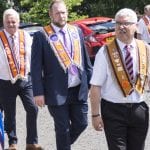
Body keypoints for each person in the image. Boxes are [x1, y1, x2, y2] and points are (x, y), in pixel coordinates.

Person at [31, 0, 92, 150]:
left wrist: (91, 84)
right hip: (55, 91)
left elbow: (85, 60)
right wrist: (38, 92)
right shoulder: (41, 35)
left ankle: (62, 146)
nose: (61, 16)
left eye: (63, 12)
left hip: (78, 89)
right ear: (51, 14)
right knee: (62, 129)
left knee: (82, 123)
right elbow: (36, 67)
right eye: (57, 13)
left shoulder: (76, 31)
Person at [90, 8, 150, 150]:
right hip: (113, 110)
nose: (121, 27)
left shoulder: (146, 49)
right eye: (118, 23)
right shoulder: (105, 52)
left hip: (139, 109)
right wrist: (95, 115)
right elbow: (95, 86)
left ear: (136, 26)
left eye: (126, 23)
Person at [0, 8, 43, 150]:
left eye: (13, 22)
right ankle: (12, 143)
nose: (11, 24)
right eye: (8, 22)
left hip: (26, 79)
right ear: (3, 23)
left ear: (18, 22)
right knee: (9, 113)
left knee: (33, 109)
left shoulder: (25, 35)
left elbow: (33, 57)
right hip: (5, 81)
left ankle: (31, 142)